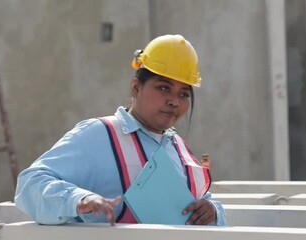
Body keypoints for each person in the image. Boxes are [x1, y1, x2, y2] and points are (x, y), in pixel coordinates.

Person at [14, 34, 227, 226]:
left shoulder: (177, 147)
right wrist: (79, 199)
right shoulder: (98, 135)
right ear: (136, 87)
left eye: (184, 94)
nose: (174, 101)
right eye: (164, 88)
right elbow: (30, 183)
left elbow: (199, 202)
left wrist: (212, 212)